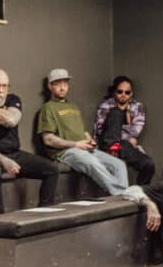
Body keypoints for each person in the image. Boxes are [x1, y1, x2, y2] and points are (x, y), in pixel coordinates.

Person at [0, 68, 59, 214]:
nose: (0, 90)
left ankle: (45, 213)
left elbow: (11, 120)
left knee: (52, 169)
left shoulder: (12, 100)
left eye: (4, 86)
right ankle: (0, 218)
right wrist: (3, 160)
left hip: (13, 153)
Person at [38, 68, 131, 196]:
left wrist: (90, 140)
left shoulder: (73, 106)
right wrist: (75, 145)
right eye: (57, 83)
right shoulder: (48, 108)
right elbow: (48, 139)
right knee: (92, 162)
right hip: (65, 152)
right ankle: (123, 196)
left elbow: (82, 131)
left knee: (119, 165)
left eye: (65, 83)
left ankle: (123, 201)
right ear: (49, 86)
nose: (62, 87)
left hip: (85, 148)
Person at [91, 75, 155, 185]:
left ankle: (138, 192)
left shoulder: (138, 106)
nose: (123, 95)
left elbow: (136, 131)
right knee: (116, 113)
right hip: (106, 144)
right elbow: (100, 130)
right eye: (120, 92)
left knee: (148, 164)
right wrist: (127, 133)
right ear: (114, 92)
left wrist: (122, 132)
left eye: (127, 92)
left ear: (132, 93)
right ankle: (112, 151)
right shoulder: (106, 105)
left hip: (122, 146)